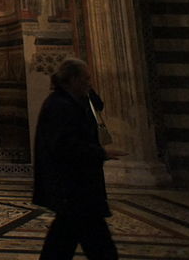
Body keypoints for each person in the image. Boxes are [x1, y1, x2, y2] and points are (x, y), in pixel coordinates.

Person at [33, 58, 123, 259]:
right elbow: (64, 146)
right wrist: (100, 153)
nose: (89, 82)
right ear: (72, 79)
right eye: (86, 78)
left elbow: (97, 106)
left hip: (77, 190)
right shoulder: (59, 106)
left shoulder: (71, 102)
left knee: (64, 242)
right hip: (74, 188)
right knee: (94, 244)